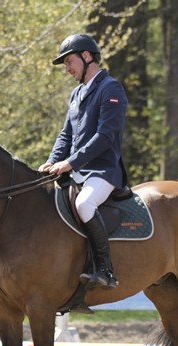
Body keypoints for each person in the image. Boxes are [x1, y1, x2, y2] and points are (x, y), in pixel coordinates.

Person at [39, 34, 128, 289]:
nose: (67, 69)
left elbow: (105, 136)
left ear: (86, 56)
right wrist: (51, 161)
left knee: (84, 204)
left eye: (69, 62)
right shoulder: (76, 94)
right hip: (76, 169)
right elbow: (66, 134)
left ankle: (105, 269)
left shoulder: (111, 88)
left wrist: (70, 163)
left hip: (103, 171)